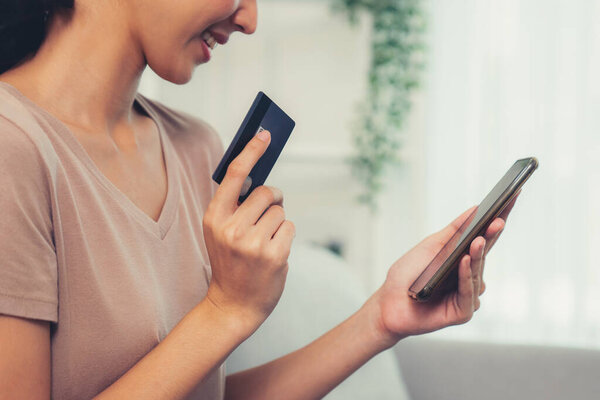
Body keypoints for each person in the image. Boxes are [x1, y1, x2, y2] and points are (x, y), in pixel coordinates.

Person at [0, 1, 513, 399]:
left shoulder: (194, 148)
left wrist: (379, 319)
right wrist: (227, 308)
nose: (249, 19)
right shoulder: (12, 147)